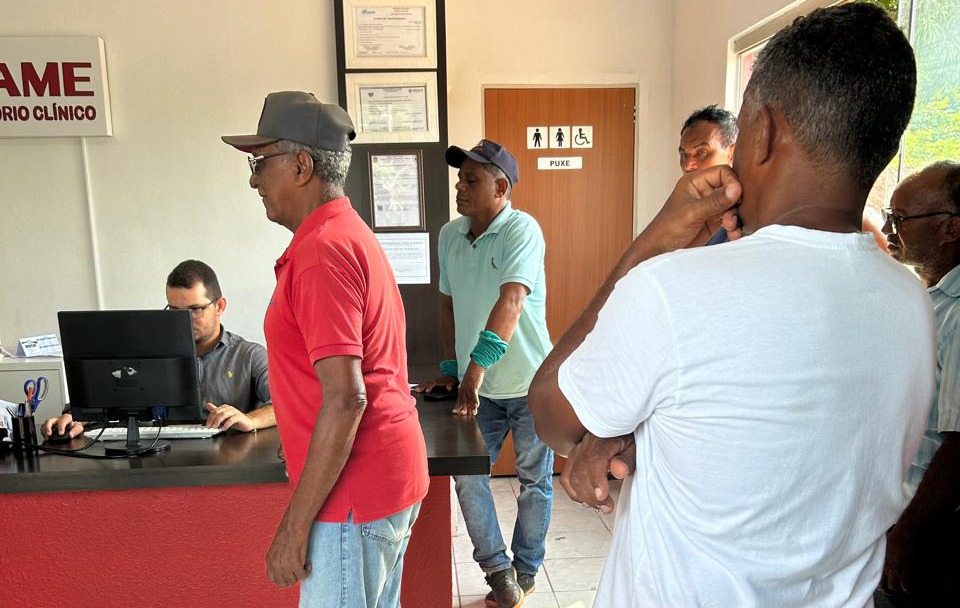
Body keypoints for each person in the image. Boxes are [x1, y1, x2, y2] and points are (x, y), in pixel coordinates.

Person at [528, 4, 933, 607]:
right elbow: (775, 445)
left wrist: (653, 242)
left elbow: (552, 415)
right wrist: (648, 440)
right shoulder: (911, 302)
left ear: (761, 133)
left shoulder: (672, 290)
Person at [221, 91, 428, 607]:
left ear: (302, 166)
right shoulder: (343, 234)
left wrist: (293, 529)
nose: (253, 180)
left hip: (353, 495)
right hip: (377, 481)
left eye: (260, 162)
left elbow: (346, 398)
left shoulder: (322, 253)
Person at [415, 139, 553, 608]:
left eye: (471, 180)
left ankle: (526, 570)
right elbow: (448, 305)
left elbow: (511, 301)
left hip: (531, 384)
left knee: (535, 483)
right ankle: (498, 570)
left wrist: (473, 371)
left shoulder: (522, 230)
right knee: (468, 475)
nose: (460, 186)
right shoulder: (449, 235)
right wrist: (452, 369)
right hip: (477, 390)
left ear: (500, 188)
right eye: (460, 178)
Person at [41, 259, 274, 438]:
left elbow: (284, 405)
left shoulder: (250, 356)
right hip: (162, 461)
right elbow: (106, 393)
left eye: (195, 309)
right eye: (175, 311)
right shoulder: (146, 354)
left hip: (228, 464)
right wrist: (75, 417)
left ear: (220, 306)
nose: (184, 320)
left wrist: (251, 420)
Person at [877, 161, 960, 607]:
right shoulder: (930, 299)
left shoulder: (958, 313)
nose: (888, 229)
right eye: (889, 216)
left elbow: (959, 444)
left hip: (931, 534)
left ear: (950, 228)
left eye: (902, 218)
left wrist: (906, 535)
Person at [678, 104, 738, 246]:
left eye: (702, 152)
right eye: (684, 155)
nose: (688, 165)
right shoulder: (681, 214)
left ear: (732, 153)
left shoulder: (745, 218)